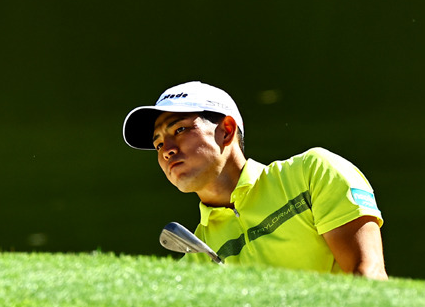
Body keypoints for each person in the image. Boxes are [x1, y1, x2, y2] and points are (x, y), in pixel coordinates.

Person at [122, 81, 387, 279]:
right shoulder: (196, 259)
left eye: (179, 129)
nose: (166, 149)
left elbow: (368, 274)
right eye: (157, 144)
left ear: (226, 131)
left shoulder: (313, 173)